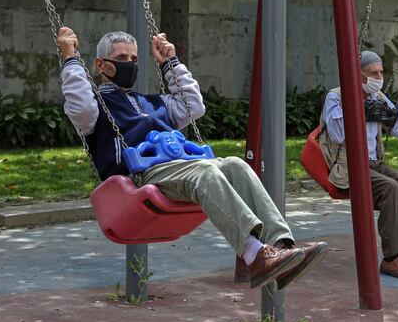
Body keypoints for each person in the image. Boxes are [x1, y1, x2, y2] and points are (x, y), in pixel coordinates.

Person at [56, 27, 327, 289]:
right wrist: (70, 59)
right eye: (122, 58)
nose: (130, 64)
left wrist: (170, 63)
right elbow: (78, 104)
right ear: (101, 65)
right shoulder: (94, 108)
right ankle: (255, 254)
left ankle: (282, 248)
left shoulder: (153, 103)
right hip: (141, 174)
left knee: (235, 165)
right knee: (205, 173)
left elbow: (193, 106)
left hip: (181, 165)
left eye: (135, 59)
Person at [319, 50, 398, 280]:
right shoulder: (336, 97)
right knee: (391, 187)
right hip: (348, 165)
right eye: (373, 73)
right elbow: (337, 134)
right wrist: (359, 108)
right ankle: (391, 258)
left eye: (381, 72)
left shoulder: (378, 97)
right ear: (358, 75)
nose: (379, 78)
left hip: (375, 163)